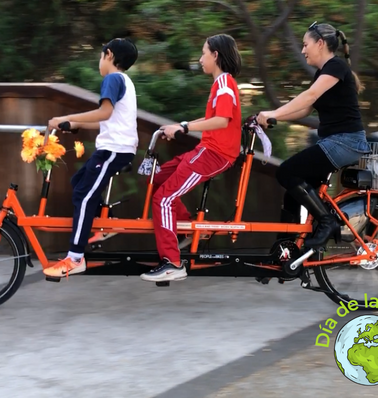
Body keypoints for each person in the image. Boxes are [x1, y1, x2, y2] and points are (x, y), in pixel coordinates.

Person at [257, 22, 370, 249]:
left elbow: (310, 96)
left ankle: (328, 222)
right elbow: (306, 109)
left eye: (305, 44)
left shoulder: (336, 66)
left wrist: (274, 112)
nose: (303, 50)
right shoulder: (324, 72)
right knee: (293, 192)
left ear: (320, 44)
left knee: (287, 172)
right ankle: (284, 251)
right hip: (334, 142)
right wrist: (274, 118)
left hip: (346, 142)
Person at [140, 34, 242, 282]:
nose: (200, 59)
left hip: (215, 154)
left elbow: (221, 121)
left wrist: (184, 127)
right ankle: (187, 228)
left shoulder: (225, 84)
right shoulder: (220, 84)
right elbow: (211, 121)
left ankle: (172, 263)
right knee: (158, 179)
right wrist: (179, 126)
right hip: (207, 150)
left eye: (204, 53)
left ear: (215, 55)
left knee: (164, 199)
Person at [43, 38, 139, 278]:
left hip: (114, 149)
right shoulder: (124, 80)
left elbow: (104, 112)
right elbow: (108, 118)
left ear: (108, 55)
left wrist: (62, 117)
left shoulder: (112, 79)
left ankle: (75, 258)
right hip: (114, 148)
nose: (99, 62)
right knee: (79, 183)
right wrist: (73, 124)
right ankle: (102, 225)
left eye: (100, 56)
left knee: (83, 195)